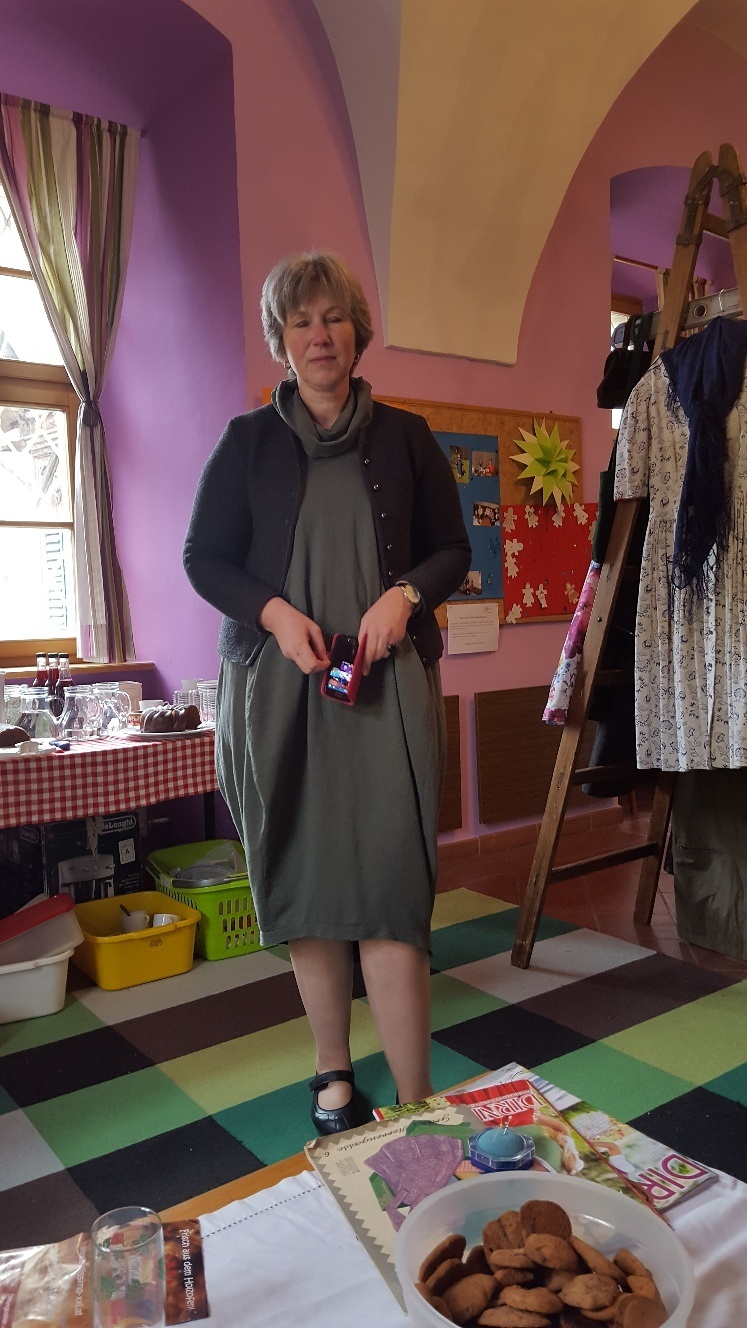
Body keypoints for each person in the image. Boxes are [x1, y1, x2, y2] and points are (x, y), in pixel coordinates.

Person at [183, 251, 470, 1134]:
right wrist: (274, 614)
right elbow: (204, 558)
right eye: (301, 321)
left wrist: (404, 595)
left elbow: (452, 550)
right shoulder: (244, 443)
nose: (319, 334)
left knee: (390, 884)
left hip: (387, 694)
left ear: (356, 332)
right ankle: (331, 1071)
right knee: (308, 885)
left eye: (334, 317)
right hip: (278, 691)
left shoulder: (408, 437)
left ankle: (416, 1098)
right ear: (280, 340)